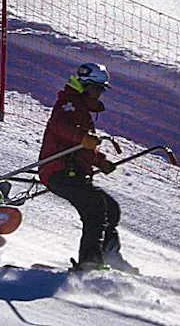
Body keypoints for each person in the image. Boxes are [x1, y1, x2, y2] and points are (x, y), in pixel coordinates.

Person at [39, 62, 134, 272]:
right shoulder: (68, 104)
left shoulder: (81, 110)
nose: (100, 94)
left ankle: (110, 255)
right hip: (59, 170)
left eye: (102, 90)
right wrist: (82, 137)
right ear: (85, 86)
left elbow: (83, 148)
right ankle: (90, 262)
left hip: (75, 172)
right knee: (95, 206)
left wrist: (101, 161)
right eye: (98, 89)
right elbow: (59, 126)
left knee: (110, 208)